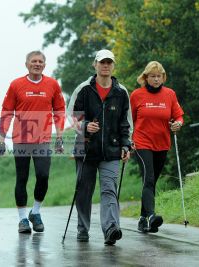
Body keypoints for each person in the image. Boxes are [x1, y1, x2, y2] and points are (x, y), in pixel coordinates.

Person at [67, 49, 132, 245]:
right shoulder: (83, 89)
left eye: (109, 62)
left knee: (109, 190)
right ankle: (82, 229)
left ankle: (111, 228)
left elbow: (125, 123)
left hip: (111, 151)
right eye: (102, 62)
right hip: (86, 149)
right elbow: (73, 118)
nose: (105, 66)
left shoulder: (121, 92)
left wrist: (126, 145)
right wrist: (86, 126)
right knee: (84, 191)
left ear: (113, 66)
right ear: (95, 64)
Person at [0, 50, 65, 234]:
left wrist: (59, 137)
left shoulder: (52, 84)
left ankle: (35, 212)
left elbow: (59, 111)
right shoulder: (16, 85)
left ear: (44, 64)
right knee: (22, 177)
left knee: (43, 176)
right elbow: (6, 112)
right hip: (21, 139)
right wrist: (1, 140)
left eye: (40, 61)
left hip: (43, 139)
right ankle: (22, 220)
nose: (37, 64)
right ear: (26, 64)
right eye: (33, 61)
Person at [130, 61, 184, 233]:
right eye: (152, 76)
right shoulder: (137, 95)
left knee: (151, 182)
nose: (155, 79)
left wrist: (177, 124)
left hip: (161, 143)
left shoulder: (170, 94)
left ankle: (142, 219)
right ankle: (152, 216)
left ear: (163, 77)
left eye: (158, 76)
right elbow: (129, 120)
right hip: (141, 142)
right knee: (149, 178)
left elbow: (179, 116)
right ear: (146, 78)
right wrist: (127, 140)